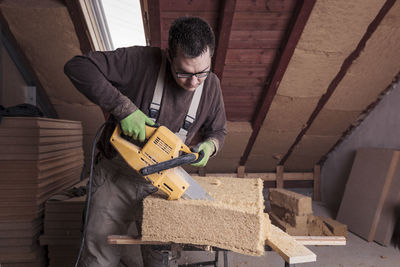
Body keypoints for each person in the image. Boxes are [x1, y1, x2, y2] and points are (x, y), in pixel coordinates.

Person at [64, 16, 226, 267]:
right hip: (116, 177)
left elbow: (218, 131)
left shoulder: (212, 87)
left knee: (162, 257)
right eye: (184, 72)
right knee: (98, 252)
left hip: (164, 184)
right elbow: (77, 67)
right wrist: (124, 109)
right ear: (170, 56)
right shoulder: (141, 61)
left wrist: (210, 146)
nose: (193, 82)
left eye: (202, 73)